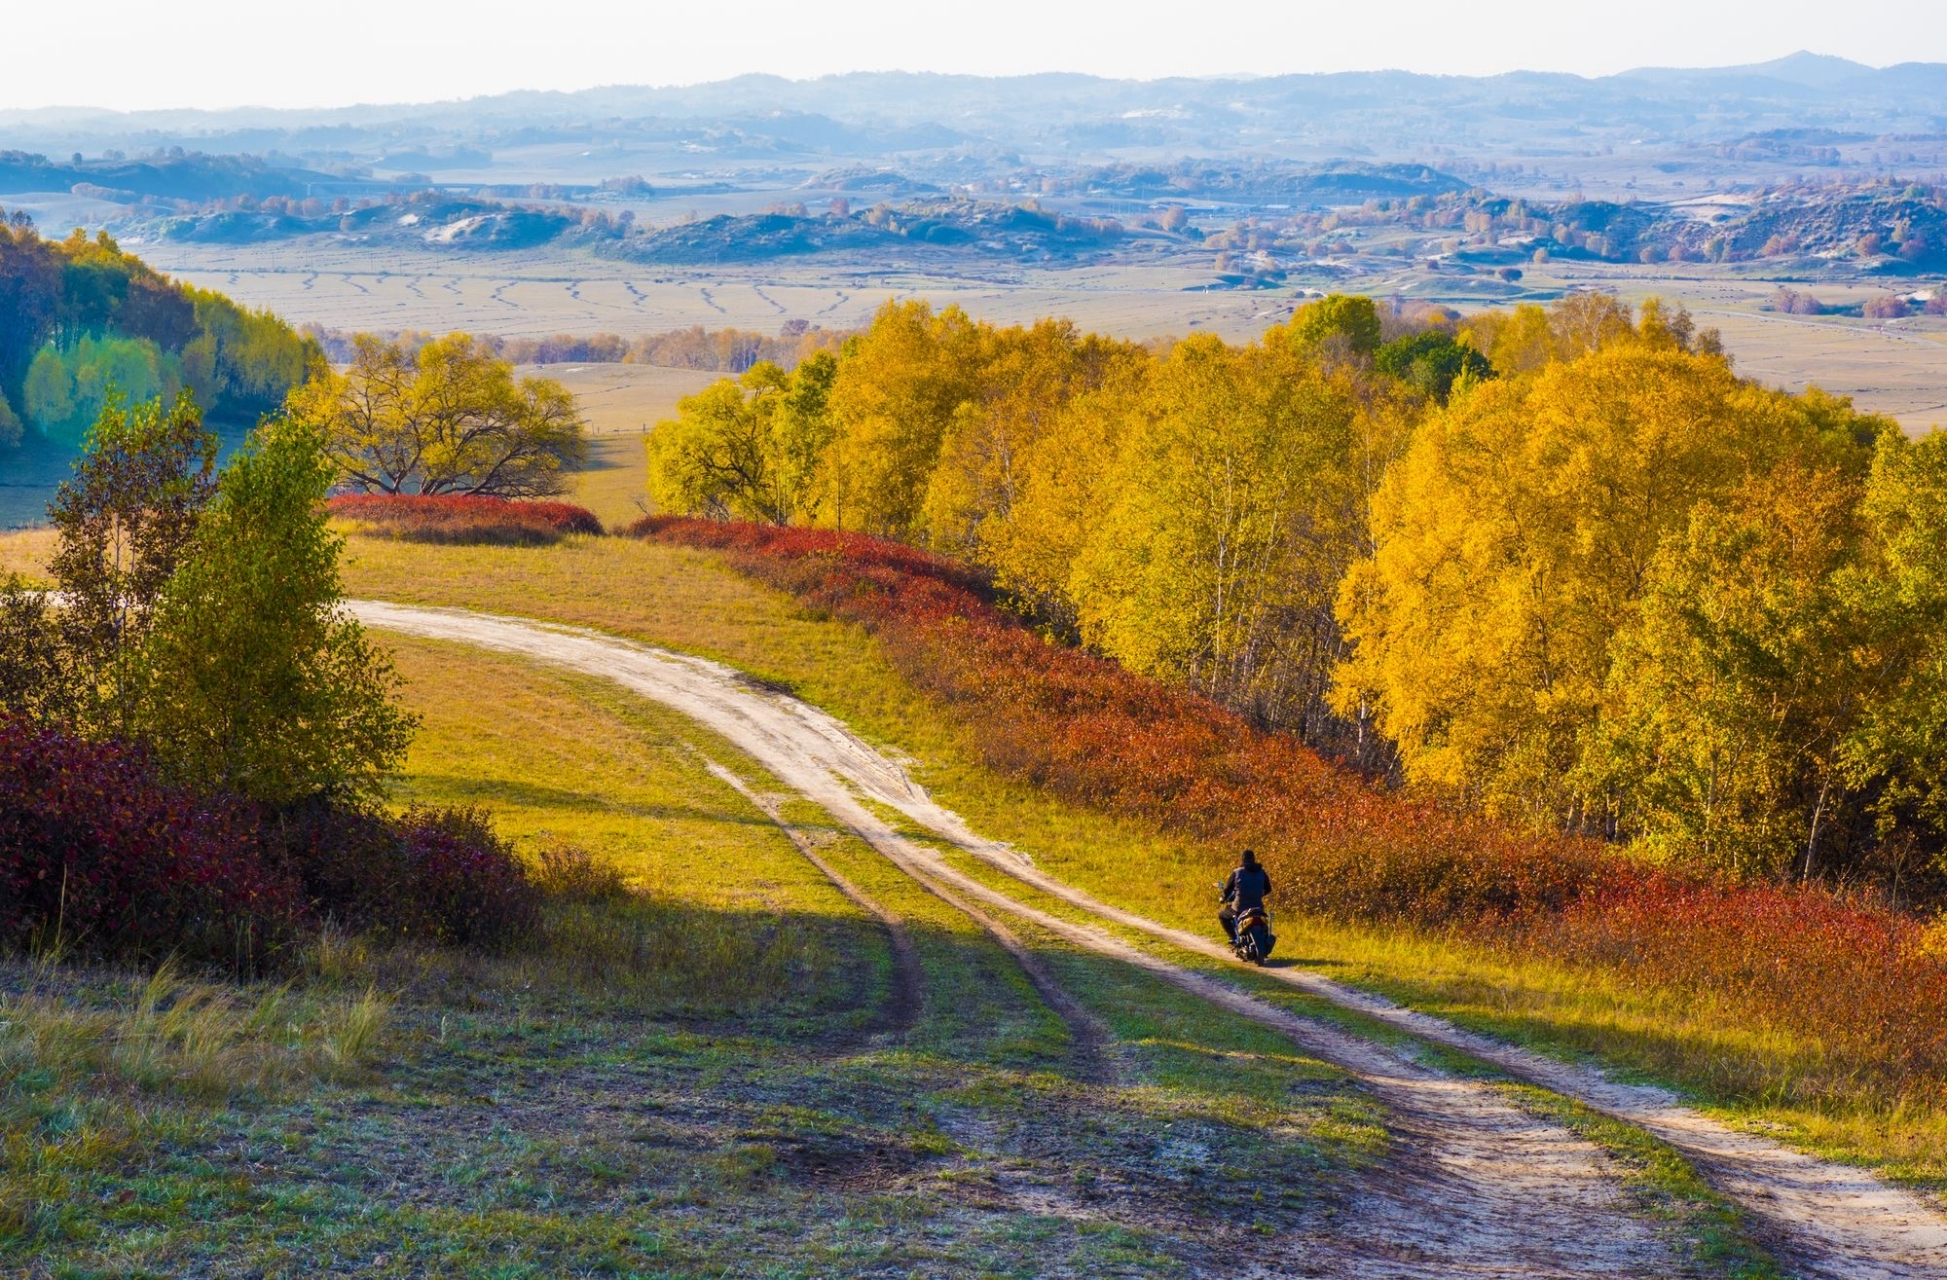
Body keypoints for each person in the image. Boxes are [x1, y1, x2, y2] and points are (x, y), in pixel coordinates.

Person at [1218, 848, 1271, 943]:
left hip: (1239, 909)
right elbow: (1268, 889)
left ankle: (1234, 938)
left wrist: (1223, 898)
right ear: (1254, 859)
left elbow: (1227, 889)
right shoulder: (1261, 872)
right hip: (1258, 908)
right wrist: (1258, 895)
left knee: (1222, 915)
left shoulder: (1237, 872)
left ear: (1242, 859)